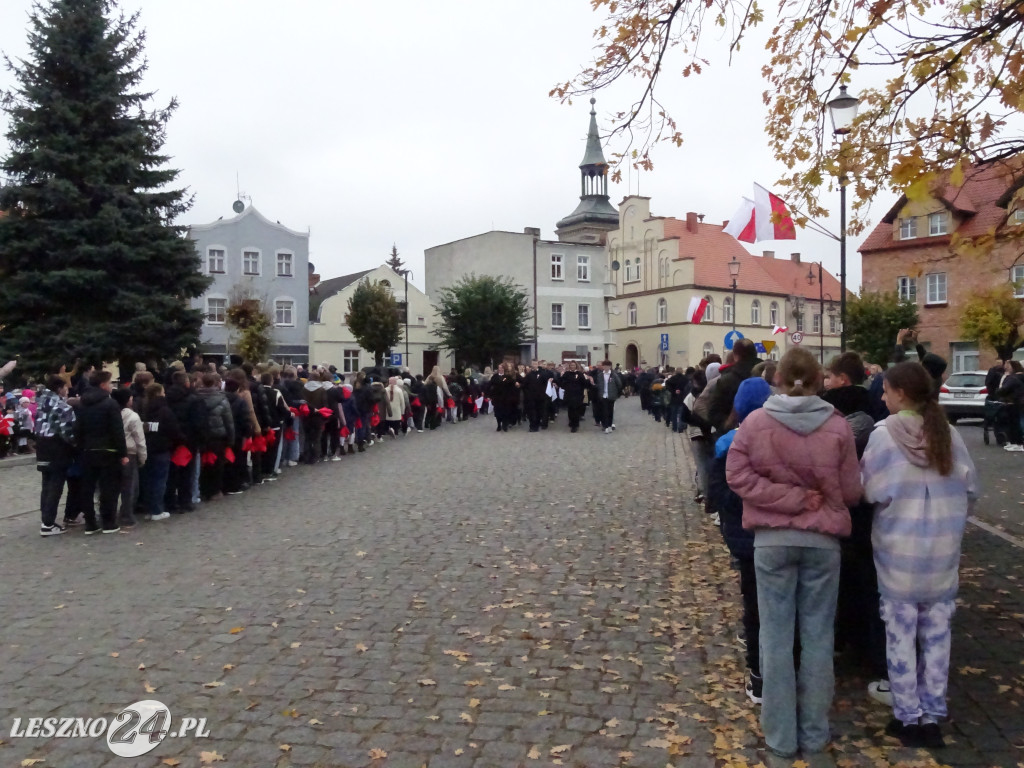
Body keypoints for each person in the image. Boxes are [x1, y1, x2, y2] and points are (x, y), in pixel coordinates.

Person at [726, 348, 862, 767]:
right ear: (820, 381)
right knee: (819, 637)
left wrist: (783, 498)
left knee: (775, 636)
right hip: (822, 541)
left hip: (772, 540)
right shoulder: (838, 427)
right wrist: (807, 497)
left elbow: (737, 475)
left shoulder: (756, 423)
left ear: (777, 379)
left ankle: (781, 736)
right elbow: (853, 491)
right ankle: (814, 733)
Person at [860, 361, 978, 749]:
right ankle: (932, 714)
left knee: (900, 633)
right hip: (942, 551)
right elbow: (970, 489)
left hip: (899, 550)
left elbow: (868, 489)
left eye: (887, 390)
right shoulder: (949, 435)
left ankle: (907, 716)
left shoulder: (883, 437)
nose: (881, 395)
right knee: (938, 634)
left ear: (901, 394)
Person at [707, 376, 772, 703]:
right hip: (782, 531)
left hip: (748, 537)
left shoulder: (729, 442)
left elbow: (720, 493)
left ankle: (759, 675)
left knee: (755, 602)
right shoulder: (782, 436)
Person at [74, 371, 129, 534]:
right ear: (103, 385)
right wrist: (123, 453)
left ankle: (90, 523)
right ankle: (108, 522)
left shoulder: (82, 403)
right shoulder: (110, 404)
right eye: (110, 383)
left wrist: (81, 446)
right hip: (108, 451)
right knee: (109, 488)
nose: (112, 386)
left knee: (88, 488)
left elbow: (77, 428)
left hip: (88, 451)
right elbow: (117, 430)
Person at [34, 375, 77, 536]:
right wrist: (75, 444)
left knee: (46, 483)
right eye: (65, 387)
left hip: (41, 444)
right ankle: (48, 523)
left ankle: (45, 517)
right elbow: (68, 432)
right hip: (57, 447)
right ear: (60, 388)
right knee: (56, 485)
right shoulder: (62, 407)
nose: (67, 389)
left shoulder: (40, 402)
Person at [140, 383, 182, 520]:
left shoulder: (144, 409)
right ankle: (157, 510)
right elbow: (173, 429)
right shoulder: (165, 410)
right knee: (160, 480)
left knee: (149, 480)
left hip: (147, 448)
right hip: (162, 448)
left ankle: (149, 509)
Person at [111, 388, 147, 529]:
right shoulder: (133, 416)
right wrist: (143, 456)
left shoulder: (111, 413)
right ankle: (126, 515)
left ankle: (111, 514)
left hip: (112, 453)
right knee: (130, 487)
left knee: (113, 486)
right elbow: (139, 439)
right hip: (129, 453)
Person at [994, 360, 1024, 451]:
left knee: (1014, 424)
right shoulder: (1014, 377)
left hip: (1013, 402)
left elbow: (1004, 389)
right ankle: (1013, 442)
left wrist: (998, 392)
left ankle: (1018, 443)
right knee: (1012, 424)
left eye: (1009, 366)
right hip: (1014, 402)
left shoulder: (1013, 378)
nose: (1007, 367)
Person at [557, 361, 591, 433]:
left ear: (576, 366)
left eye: (574, 365)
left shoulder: (579, 374)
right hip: (569, 394)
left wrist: (589, 381)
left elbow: (584, 383)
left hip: (578, 395)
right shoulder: (566, 374)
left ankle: (575, 425)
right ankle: (571, 421)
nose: (572, 366)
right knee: (570, 410)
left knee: (576, 410)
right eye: (571, 365)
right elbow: (561, 382)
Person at [595, 360, 624, 434]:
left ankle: (610, 425)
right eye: (604, 366)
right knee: (604, 411)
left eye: (607, 366)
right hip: (603, 395)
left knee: (610, 411)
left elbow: (619, 384)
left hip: (611, 395)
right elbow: (598, 385)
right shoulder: (600, 375)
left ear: (610, 366)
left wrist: (616, 392)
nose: (606, 367)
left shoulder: (613, 375)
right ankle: (606, 426)